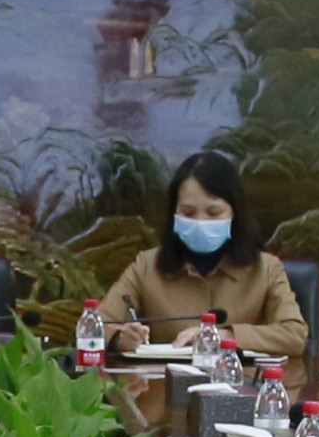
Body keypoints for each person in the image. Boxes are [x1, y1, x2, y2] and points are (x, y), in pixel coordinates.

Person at [103, 147, 307, 352]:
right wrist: (120, 339)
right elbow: (94, 326)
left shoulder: (266, 268)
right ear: (174, 214)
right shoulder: (147, 266)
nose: (200, 221)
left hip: (237, 373)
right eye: (188, 212)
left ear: (235, 213)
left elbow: (295, 335)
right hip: (163, 373)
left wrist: (224, 336)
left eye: (214, 212)